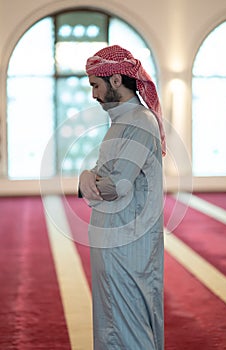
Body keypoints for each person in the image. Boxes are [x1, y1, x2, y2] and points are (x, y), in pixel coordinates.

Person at [78, 45, 166, 350]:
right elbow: (107, 172)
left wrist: (87, 181)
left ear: (116, 79)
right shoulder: (120, 123)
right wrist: (88, 175)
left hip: (129, 241)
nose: (93, 95)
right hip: (114, 239)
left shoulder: (140, 121)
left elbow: (118, 185)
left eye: (95, 85)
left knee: (131, 325)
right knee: (113, 320)